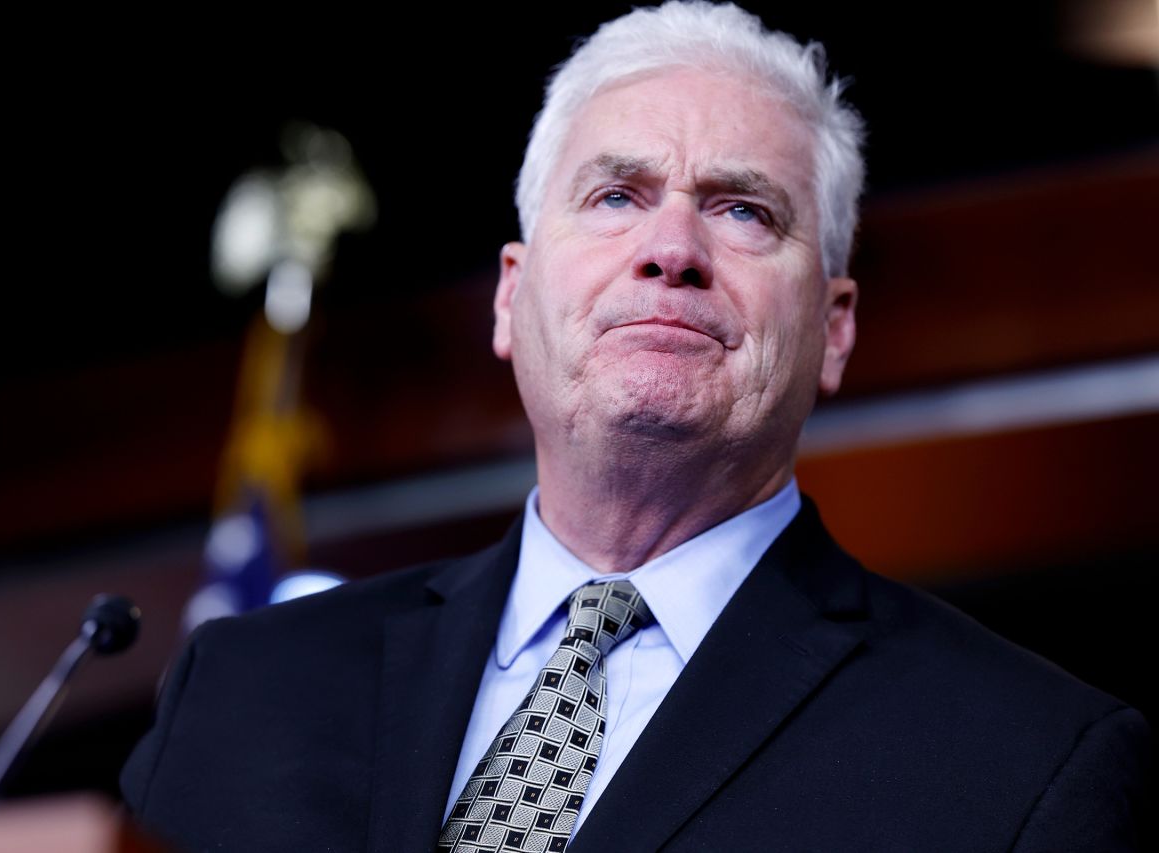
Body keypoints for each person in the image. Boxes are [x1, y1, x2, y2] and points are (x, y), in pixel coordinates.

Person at [120, 3, 1151, 850]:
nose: (670, 248)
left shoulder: (1024, 764)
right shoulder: (243, 690)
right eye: (615, 195)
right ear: (508, 299)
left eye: (743, 211)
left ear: (833, 330)